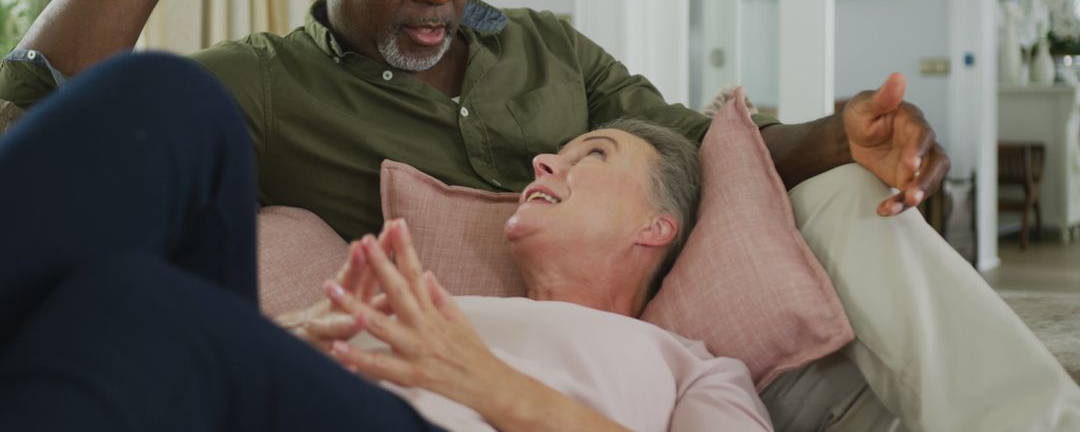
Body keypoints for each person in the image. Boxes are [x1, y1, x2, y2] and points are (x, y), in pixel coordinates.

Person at [1, 0, 1077, 430]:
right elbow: (38, 94)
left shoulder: (554, 57)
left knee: (845, 197)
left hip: (550, 379)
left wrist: (837, 134)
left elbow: (702, 145)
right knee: (152, 133)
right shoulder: (275, 83)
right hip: (357, 371)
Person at [0, 53, 771, 431]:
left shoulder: (695, 370)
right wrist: (280, 338)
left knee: (136, 305)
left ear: (656, 227)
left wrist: (484, 384)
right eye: (556, 151)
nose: (545, 161)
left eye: (590, 156)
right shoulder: (444, 309)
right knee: (171, 100)